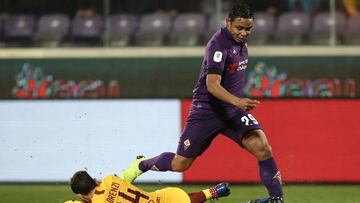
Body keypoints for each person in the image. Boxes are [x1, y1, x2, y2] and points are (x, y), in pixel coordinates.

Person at [121, 3, 284, 203]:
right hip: (207, 111)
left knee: (262, 147)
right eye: (239, 28)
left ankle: (276, 199)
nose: (243, 33)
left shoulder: (240, 44)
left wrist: (235, 103)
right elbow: (212, 85)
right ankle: (141, 165)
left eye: (248, 29)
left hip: (232, 111)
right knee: (180, 164)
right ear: (228, 23)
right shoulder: (218, 46)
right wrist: (238, 101)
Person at [68, 170, 230, 203]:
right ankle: (215, 191)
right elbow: (126, 178)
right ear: (95, 181)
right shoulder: (110, 179)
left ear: (81, 195)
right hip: (159, 198)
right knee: (183, 199)